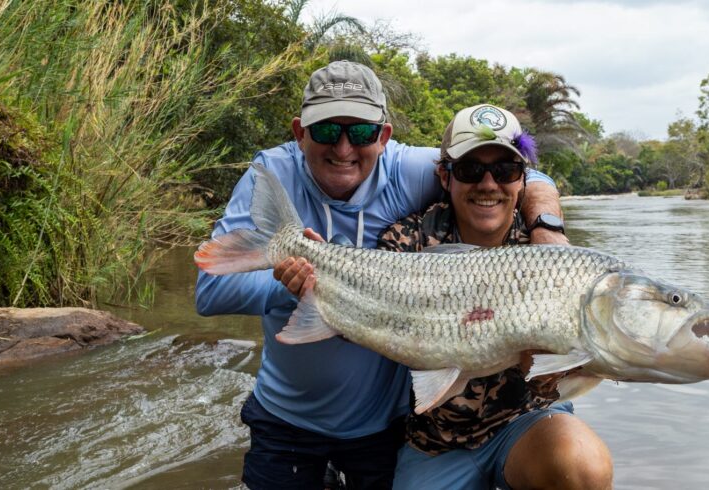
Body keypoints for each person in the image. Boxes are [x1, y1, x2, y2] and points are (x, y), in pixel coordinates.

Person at [195, 61, 567, 490]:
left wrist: (547, 231)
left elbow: (517, 171)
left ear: (384, 136)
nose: (344, 149)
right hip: (286, 417)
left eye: (361, 133)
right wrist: (296, 288)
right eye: (327, 131)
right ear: (300, 133)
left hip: (379, 425)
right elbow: (210, 290)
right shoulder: (273, 172)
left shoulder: (406, 170)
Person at [377, 104, 613, 490]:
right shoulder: (406, 242)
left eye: (505, 171)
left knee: (581, 467)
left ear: (522, 180)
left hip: (525, 423)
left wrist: (557, 366)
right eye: (471, 170)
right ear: (445, 175)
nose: (488, 184)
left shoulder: (553, 254)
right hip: (434, 441)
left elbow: (562, 381)